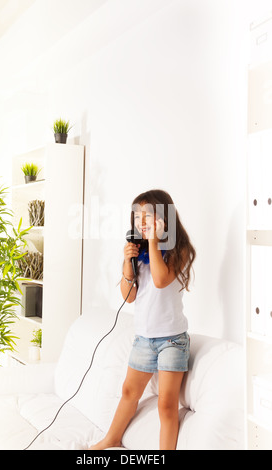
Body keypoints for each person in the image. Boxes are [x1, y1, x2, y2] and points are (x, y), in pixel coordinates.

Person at [90, 189, 196, 450]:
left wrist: (153, 242)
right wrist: (127, 262)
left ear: (164, 217)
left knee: (166, 404)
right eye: (137, 216)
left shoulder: (177, 250)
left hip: (172, 341)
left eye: (148, 215)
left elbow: (160, 281)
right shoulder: (139, 253)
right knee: (129, 392)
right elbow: (129, 296)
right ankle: (111, 439)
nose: (142, 221)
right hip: (143, 339)